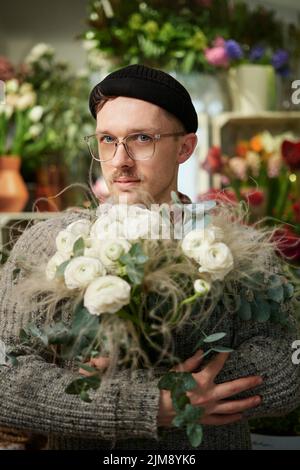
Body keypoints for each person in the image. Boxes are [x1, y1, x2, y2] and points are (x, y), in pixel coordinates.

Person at [0, 64, 299, 450]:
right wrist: (148, 402)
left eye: (142, 138)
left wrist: (190, 393)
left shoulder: (235, 246)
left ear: (185, 147)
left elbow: (288, 363)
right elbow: (5, 373)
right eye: (107, 139)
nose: (120, 160)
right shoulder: (47, 244)